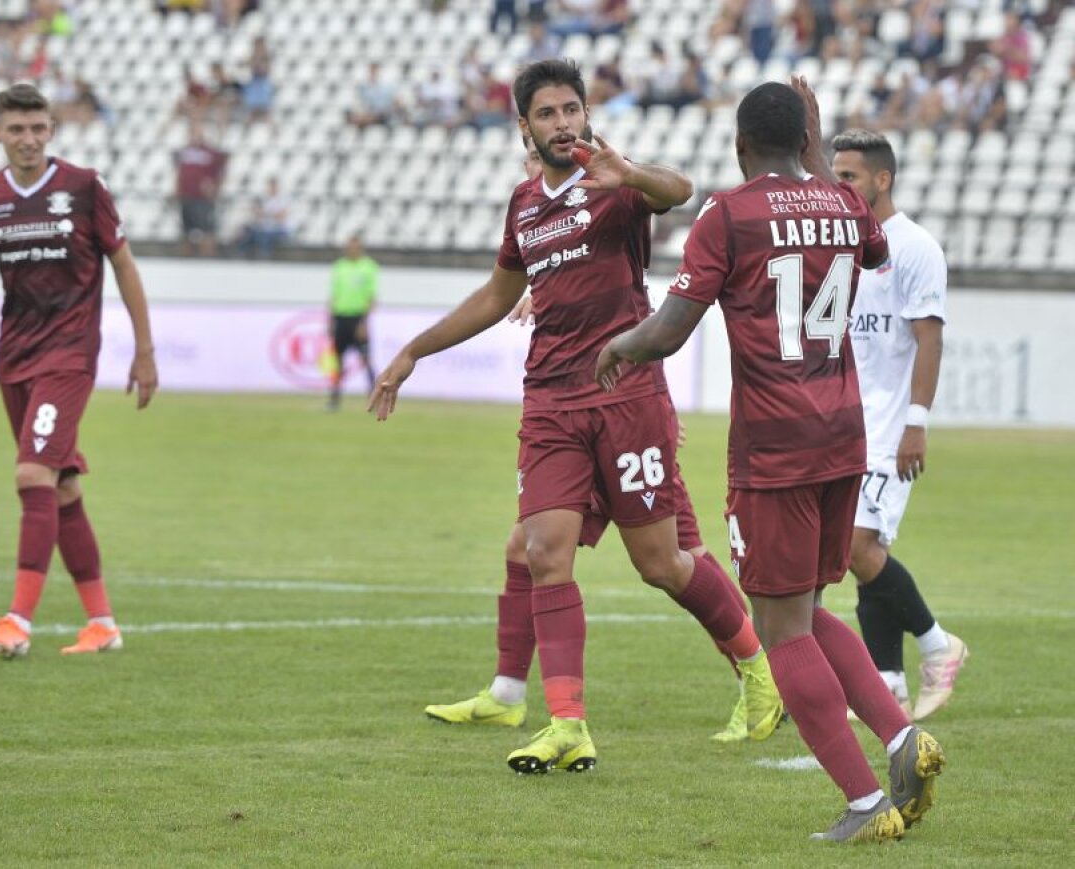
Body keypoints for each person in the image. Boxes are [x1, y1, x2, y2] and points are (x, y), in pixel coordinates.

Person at [370, 59, 782, 774]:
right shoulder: (524, 205)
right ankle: (565, 720)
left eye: (572, 110)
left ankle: (757, 670)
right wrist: (414, 350)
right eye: (549, 113)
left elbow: (680, 191)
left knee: (661, 562)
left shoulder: (615, 187)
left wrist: (631, 174)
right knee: (539, 551)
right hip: (551, 402)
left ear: (587, 115)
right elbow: (497, 297)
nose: (563, 123)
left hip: (626, 398)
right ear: (524, 126)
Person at [594, 79, 946, 843]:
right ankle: (899, 736)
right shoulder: (845, 203)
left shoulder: (728, 212)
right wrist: (816, 152)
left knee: (781, 628)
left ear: (741, 146)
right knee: (810, 611)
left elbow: (670, 329)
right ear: (807, 141)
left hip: (775, 448)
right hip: (844, 438)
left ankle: (862, 800)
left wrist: (620, 345)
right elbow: (873, 247)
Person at [0, 83, 158, 658]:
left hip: (71, 353)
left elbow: (124, 266)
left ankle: (18, 622)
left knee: (31, 475)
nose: (28, 139)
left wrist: (145, 349)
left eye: (38, 128)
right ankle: (101, 623)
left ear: (51, 130)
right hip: (15, 357)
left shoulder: (83, 187)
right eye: (16, 129)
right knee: (60, 487)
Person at [831, 129, 967, 722]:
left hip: (889, 430)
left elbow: (928, 340)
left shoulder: (915, 248)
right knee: (861, 551)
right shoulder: (843, 246)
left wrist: (917, 423)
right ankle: (887, 682)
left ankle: (939, 645)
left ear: (882, 180)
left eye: (850, 177)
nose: (839, 187)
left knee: (857, 546)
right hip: (843, 426)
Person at [327, 234, 379, 410]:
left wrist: (364, 322)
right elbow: (334, 295)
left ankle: (374, 398)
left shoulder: (369, 267)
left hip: (358, 319)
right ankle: (334, 400)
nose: (351, 249)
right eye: (349, 246)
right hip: (341, 318)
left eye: (355, 246)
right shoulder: (339, 266)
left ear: (360, 248)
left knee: (366, 360)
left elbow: (371, 297)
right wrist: (331, 321)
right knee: (337, 362)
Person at [174, 125, 228, 257]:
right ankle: (186, 258)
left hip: (203, 198)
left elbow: (221, 170)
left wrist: (215, 187)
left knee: (207, 229)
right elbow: (179, 172)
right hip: (187, 195)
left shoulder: (211, 153)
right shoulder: (185, 152)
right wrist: (176, 188)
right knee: (186, 229)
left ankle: (208, 258)